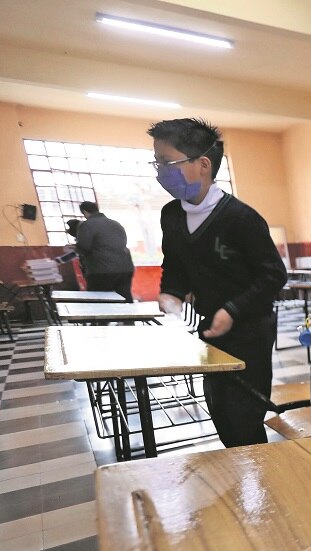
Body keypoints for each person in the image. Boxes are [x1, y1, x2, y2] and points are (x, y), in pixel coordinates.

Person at [148, 117, 287, 448]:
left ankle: (262, 489)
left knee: (245, 419)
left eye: (167, 162)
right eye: (156, 162)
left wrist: (233, 309)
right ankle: (241, 487)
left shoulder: (240, 218)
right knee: (221, 413)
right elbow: (176, 265)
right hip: (209, 332)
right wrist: (170, 293)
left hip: (249, 331)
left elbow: (273, 275)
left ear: (203, 164)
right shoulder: (171, 216)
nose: (159, 171)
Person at [74, 201, 136, 301]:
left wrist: (75, 248)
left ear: (84, 212)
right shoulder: (116, 223)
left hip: (101, 270)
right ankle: (131, 317)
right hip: (125, 268)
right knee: (125, 298)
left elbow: (84, 247)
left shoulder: (87, 225)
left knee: (102, 302)